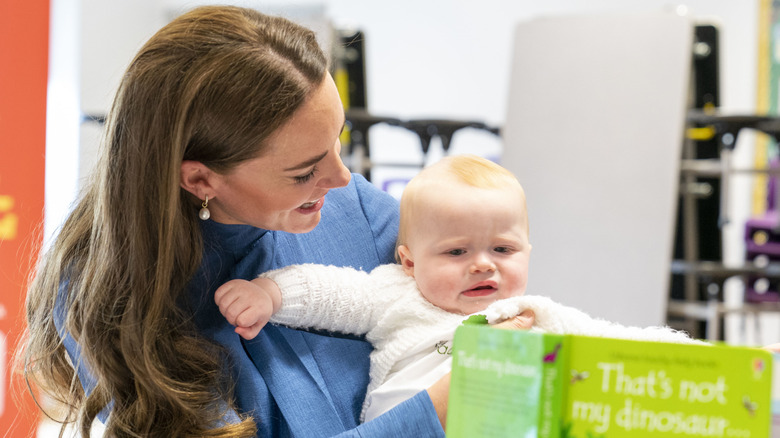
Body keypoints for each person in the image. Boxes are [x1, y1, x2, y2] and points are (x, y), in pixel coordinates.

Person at [22, 6, 513, 437]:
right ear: (200, 179)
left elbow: (495, 317)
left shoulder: (359, 211)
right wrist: (442, 408)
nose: (343, 179)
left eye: (336, 142)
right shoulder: (106, 304)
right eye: (305, 172)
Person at [214, 154, 700, 423]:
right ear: (409, 260)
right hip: (408, 425)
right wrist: (269, 295)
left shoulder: (533, 313)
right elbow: (329, 291)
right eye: (457, 252)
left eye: (504, 251)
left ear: (529, 251)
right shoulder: (397, 292)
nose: (482, 266)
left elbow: (622, 343)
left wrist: (720, 359)